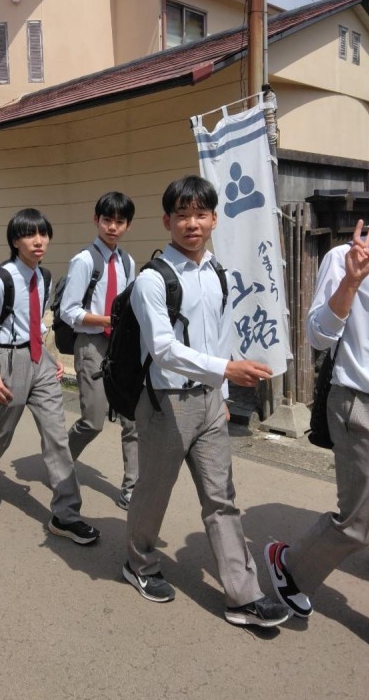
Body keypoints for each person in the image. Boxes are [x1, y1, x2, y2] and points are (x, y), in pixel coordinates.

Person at [123, 175, 290, 628]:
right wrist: (225, 370)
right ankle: (139, 562)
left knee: (221, 498)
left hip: (211, 400)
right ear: (167, 221)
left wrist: (223, 389)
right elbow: (163, 350)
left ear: (215, 219)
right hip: (166, 403)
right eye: (182, 215)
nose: (192, 223)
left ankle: (244, 595)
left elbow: (218, 335)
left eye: (200, 214)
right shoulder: (152, 280)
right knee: (153, 493)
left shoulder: (216, 272)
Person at [265, 150, 369, 615]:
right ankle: (290, 564)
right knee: (358, 523)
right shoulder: (346, 257)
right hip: (367, 398)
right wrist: (351, 284)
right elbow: (318, 335)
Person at [0, 208, 100, 545]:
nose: (38, 241)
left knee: (57, 437)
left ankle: (66, 515)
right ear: (15, 241)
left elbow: (37, 323)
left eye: (43, 234)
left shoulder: (44, 276)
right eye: (29, 235)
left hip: (39, 362)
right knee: (0, 434)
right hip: (6, 362)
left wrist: (50, 359)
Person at [60, 192, 138, 509]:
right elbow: (69, 311)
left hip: (121, 346)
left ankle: (132, 488)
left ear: (128, 225)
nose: (113, 227)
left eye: (120, 221)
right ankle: (60, 462)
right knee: (93, 420)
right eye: (107, 220)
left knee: (133, 420)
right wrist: (107, 320)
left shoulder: (128, 262)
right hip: (92, 343)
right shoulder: (84, 261)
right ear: (96, 220)